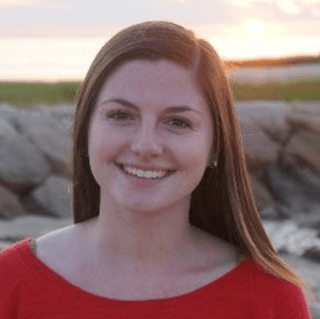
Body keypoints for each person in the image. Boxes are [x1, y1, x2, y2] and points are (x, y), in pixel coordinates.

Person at [0, 21, 316, 318]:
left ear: (215, 146)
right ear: (85, 129)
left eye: (177, 122)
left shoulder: (271, 299)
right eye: (121, 115)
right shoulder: (11, 281)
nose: (145, 146)